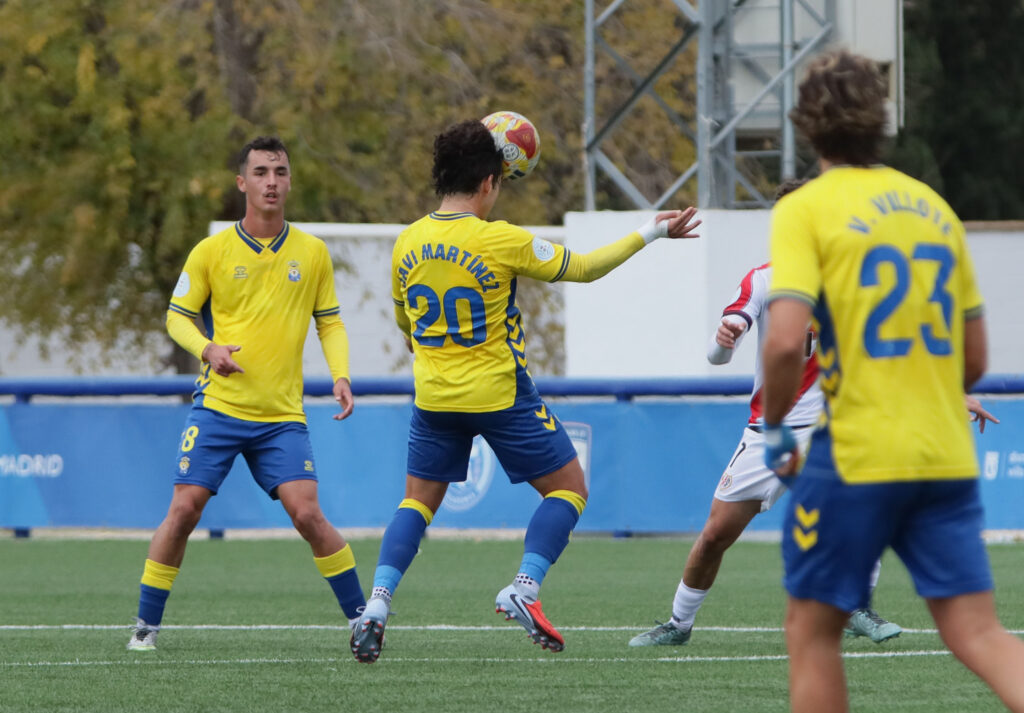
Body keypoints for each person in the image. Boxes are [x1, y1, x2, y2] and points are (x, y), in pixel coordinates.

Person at [350, 118, 702, 663]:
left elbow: (407, 322)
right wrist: (651, 232)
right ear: (490, 182)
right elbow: (583, 269)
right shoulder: (499, 239)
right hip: (498, 395)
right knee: (569, 488)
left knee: (416, 504)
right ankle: (525, 586)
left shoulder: (407, 242)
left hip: (434, 397)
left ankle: (375, 605)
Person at [760, 50, 1024, 712]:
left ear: (806, 123)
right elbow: (975, 359)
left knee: (812, 632)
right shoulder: (933, 207)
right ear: (883, 120)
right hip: (944, 456)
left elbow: (787, 338)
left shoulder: (805, 208)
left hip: (856, 455)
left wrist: (772, 425)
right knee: (979, 632)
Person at [629, 180, 906, 648]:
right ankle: (678, 625)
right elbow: (718, 358)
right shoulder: (763, 279)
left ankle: (857, 607)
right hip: (767, 434)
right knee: (716, 534)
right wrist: (725, 340)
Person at [127, 136, 366, 651]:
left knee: (307, 515)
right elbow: (176, 315)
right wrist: (208, 348)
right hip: (220, 408)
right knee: (184, 509)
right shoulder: (212, 252)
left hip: (281, 416)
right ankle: (145, 626)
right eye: (260, 172)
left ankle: (361, 617)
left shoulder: (312, 252)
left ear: (289, 180)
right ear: (242, 183)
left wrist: (341, 374)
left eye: (279, 172)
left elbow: (330, 323)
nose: (271, 182)